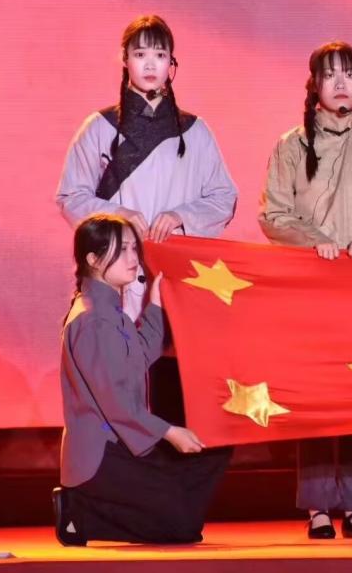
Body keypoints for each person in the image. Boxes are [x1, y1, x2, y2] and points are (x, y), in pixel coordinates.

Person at [258, 41, 352, 539]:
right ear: (315, 86)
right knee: (320, 395)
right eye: (330, 75)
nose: (341, 82)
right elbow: (272, 213)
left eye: (349, 74)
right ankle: (319, 507)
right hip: (312, 290)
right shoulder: (290, 146)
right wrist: (314, 240)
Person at [56, 14, 238, 424]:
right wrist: (118, 216)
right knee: (115, 392)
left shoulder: (194, 131)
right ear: (125, 60)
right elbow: (70, 196)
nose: (151, 64)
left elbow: (224, 197)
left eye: (160, 54)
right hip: (115, 282)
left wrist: (181, 216)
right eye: (140, 54)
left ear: (172, 63)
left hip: (173, 281)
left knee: (174, 393)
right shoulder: (100, 128)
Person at [53, 214, 230, 545]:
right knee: (182, 526)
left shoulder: (109, 309)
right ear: (93, 260)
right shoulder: (94, 320)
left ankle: (153, 506)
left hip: (124, 443)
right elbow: (116, 404)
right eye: (121, 250)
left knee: (214, 451)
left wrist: (156, 303)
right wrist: (170, 432)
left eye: (134, 248)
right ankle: (80, 511)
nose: (133, 258)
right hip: (102, 454)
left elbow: (141, 355)